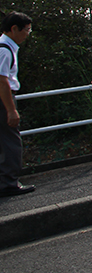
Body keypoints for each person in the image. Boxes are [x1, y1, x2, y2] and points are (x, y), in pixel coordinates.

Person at [0, 12, 35, 196]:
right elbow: (2, 81)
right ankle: (8, 183)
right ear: (14, 29)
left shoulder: (6, 47)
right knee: (11, 141)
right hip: (4, 99)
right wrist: (11, 110)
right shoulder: (4, 50)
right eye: (27, 30)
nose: (28, 34)